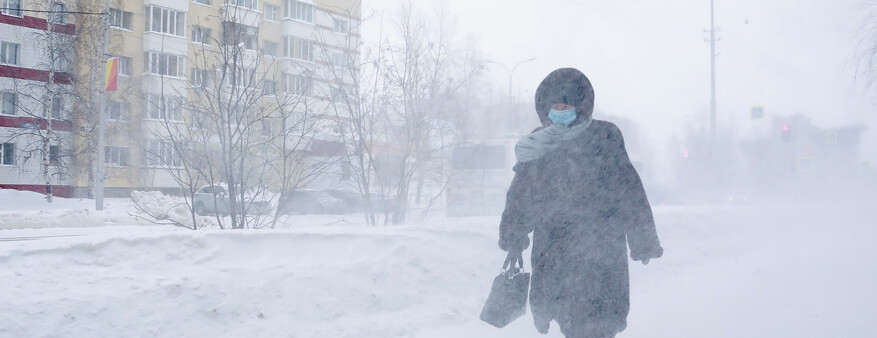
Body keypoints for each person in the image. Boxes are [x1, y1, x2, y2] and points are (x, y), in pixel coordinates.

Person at [498, 68, 663, 338]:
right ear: (544, 106)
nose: (560, 109)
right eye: (555, 104)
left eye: (567, 104)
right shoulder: (538, 143)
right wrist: (513, 236)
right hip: (554, 253)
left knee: (596, 324)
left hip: (600, 252)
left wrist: (643, 240)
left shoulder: (605, 136)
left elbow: (629, 189)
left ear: (581, 105)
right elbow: (522, 195)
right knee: (566, 319)